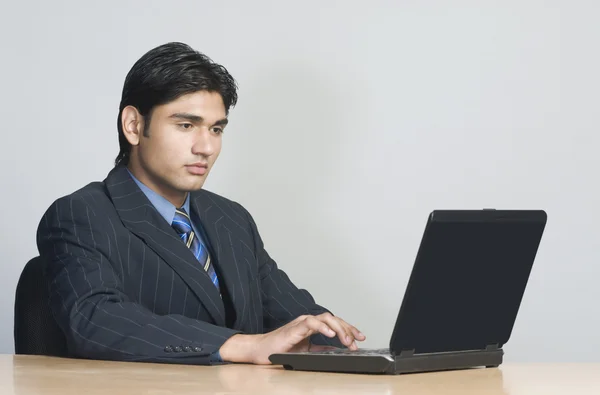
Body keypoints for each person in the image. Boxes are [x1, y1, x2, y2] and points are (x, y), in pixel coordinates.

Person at [36, 42, 365, 365]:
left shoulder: (231, 218)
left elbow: (294, 316)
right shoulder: (81, 215)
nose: (206, 147)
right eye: (186, 125)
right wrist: (242, 346)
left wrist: (349, 351)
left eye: (216, 129)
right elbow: (96, 319)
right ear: (134, 125)